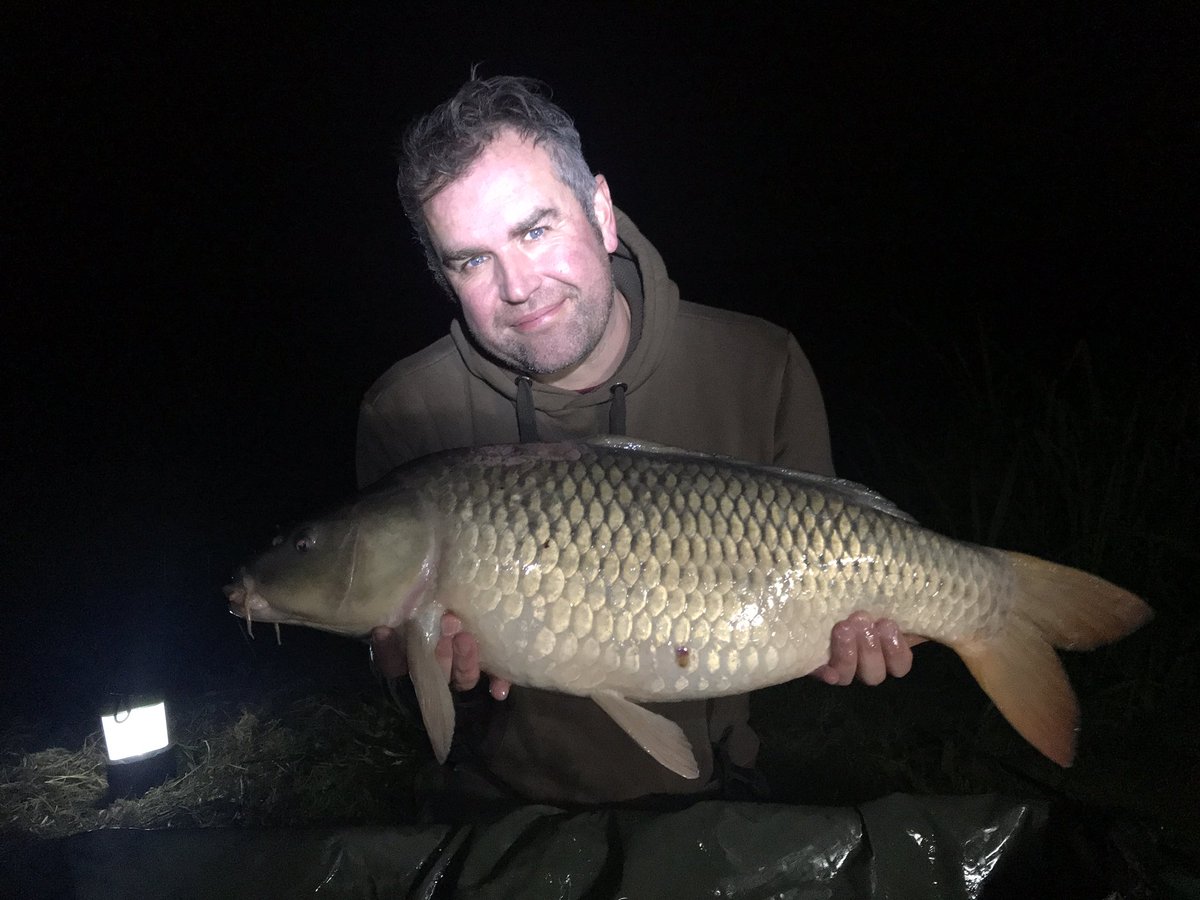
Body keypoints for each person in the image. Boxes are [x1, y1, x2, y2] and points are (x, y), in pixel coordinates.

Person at [358, 75, 918, 807]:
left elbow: (821, 588)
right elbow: (385, 649)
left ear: (600, 211)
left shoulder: (760, 365)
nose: (518, 286)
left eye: (534, 230)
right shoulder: (404, 412)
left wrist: (848, 638)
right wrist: (409, 657)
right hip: (502, 794)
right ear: (443, 275)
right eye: (471, 260)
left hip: (715, 786)